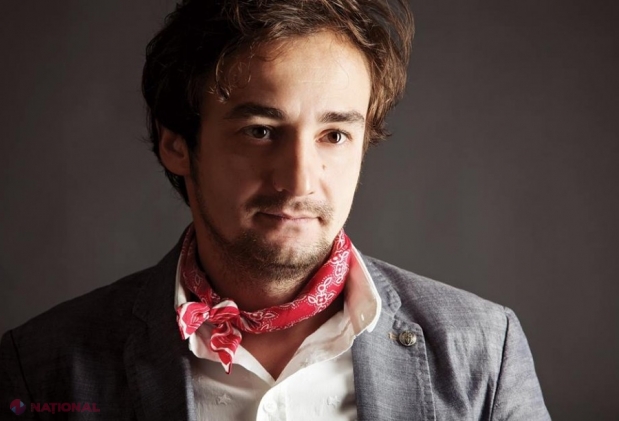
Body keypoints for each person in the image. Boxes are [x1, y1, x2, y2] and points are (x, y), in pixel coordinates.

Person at [0, 0, 550, 419]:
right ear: (177, 144)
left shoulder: (484, 349)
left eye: (334, 135)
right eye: (260, 131)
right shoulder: (42, 365)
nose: (300, 180)